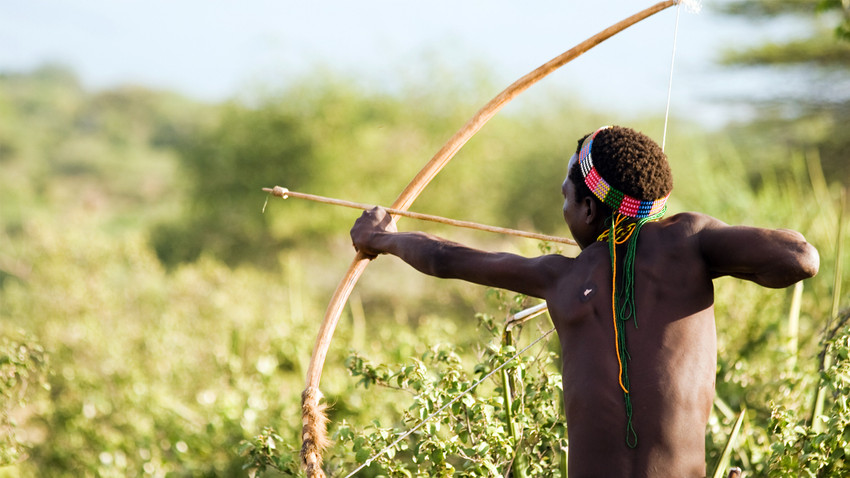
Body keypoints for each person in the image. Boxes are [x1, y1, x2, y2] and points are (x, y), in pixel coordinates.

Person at [349, 125, 819, 477]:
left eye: (566, 200)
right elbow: (800, 257)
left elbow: (444, 257)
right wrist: (700, 244)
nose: (565, 211)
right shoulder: (690, 242)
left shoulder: (563, 275)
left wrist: (381, 239)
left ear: (589, 209)